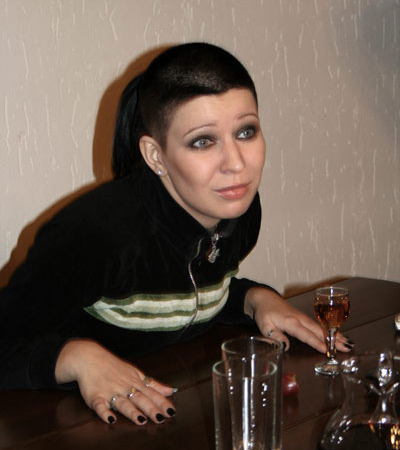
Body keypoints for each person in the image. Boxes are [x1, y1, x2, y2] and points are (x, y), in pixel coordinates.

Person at [0, 43, 352, 426]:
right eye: (203, 141)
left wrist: (252, 298)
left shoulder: (239, 212)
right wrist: (75, 356)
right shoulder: (94, 236)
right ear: (155, 155)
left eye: (246, 131)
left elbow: (179, 296)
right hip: (61, 433)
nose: (236, 164)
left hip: (172, 425)